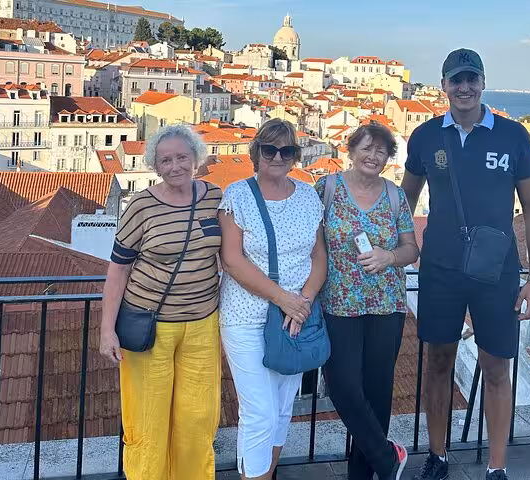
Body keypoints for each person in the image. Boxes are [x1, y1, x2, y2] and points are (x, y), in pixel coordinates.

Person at [401, 49, 530, 480]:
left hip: (496, 268)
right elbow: (404, 200)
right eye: (456, 79)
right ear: (443, 85)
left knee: (496, 365)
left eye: (472, 79)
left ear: (483, 83)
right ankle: (438, 455)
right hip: (441, 266)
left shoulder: (513, 135)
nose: (464, 87)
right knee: (439, 361)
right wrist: (399, 252)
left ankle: (497, 467)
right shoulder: (426, 137)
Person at [99, 125, 222, 480]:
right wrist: (107, 330)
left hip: (202, 325)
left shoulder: (215, 197)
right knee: (148, 420)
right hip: (150, 326)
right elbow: (118, 270)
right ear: (154, 164)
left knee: (197, 420)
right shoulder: (141, 205)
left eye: (182, 157)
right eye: (165, 160)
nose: (174, 166)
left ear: (195, 159)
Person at [218, 118, 327, 480]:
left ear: (296, 156)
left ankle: (267, 474)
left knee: (282, 408)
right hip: (246, 316)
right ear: (257, 153)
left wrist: (304, 302)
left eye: (287, 151)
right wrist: (285, 298)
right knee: (259, 410)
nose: (278, 157)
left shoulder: (308, 195)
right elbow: (231, 259)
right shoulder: (237, 195)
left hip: (294, 318)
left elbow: (319, 257)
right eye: (270, 149)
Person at [315, 122, 419, 480]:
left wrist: (388, 257)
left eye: (381, 151)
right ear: (351, 150)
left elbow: (411, 249)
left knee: (377, 395)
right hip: (338, 303)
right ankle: (388, 458)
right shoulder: (327, 188)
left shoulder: (394, 196)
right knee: (343, 387)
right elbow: (308, 243)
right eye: (366, 148)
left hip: (385, 304)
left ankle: (365, 474)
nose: (373, 156)